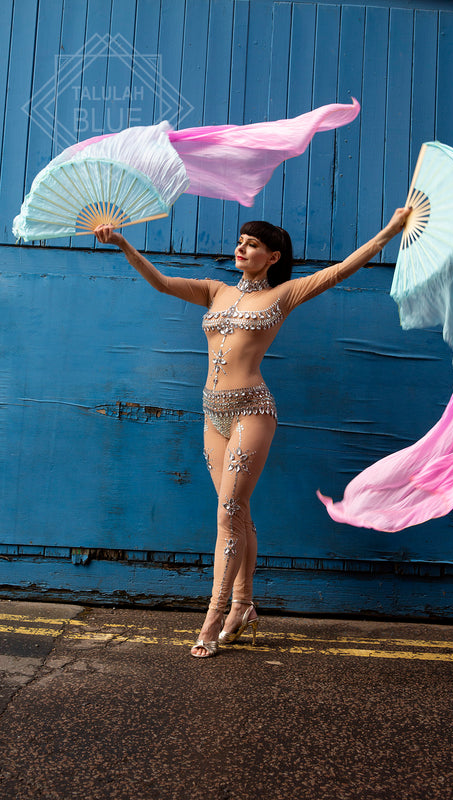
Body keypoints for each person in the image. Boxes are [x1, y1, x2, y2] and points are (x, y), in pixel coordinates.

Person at [94, 206, 410, 658]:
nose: (241, 247)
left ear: (273, 257)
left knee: (227, 513)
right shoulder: (214, 290)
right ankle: (243, 605)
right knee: (237, 512)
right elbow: (161, 282)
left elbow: (341, 270)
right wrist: (123, 243)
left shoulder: (282, 296)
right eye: (241, 241)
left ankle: (213, 617)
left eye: (253, 244)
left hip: (252, 411)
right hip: (211, 412)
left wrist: (389, 231)